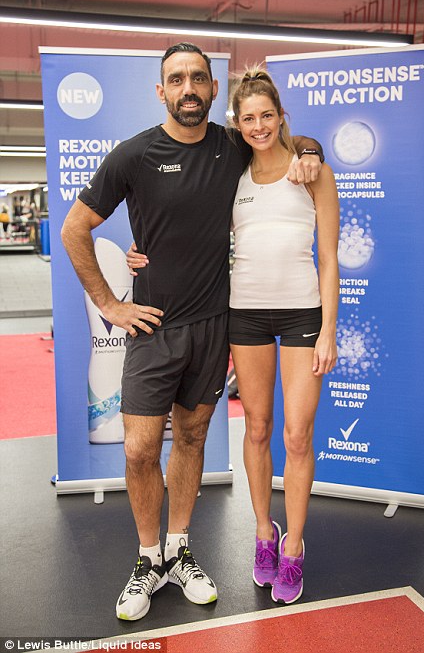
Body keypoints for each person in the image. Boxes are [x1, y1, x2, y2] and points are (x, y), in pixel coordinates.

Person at [61, 42, 324, 622]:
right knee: (138, 449)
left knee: (192, 438)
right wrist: (109, 303)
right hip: (153, 327)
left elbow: (285, 140)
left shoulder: (232, 146)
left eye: (198, 78)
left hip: (213, 325)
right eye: (176, 79)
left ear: (212, 89)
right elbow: (76, 227)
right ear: (162, 91)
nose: (188, 88)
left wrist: (311, 150)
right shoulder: (133, 155)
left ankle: (178, 550)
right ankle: (147, 557)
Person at [129, 67, 339, 606]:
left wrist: (328, 331)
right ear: (237, 124)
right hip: (243, 315)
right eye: (249, 119)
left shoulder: (312, 171)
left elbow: (330, 259)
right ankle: (264, 533)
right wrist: (145, 254)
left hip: (302, 315)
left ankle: (294, 546)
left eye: (267, 115)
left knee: (297, 435)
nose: (259, 126)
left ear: (281, 115)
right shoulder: (234, 172)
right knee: (258, 428)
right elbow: (191, 228)